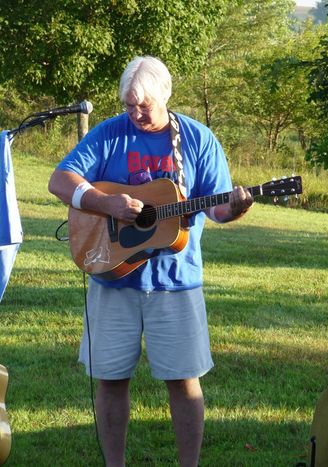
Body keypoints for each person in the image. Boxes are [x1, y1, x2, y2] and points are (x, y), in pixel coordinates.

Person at [48, 55, 253, 467]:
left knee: (183, 380)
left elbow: (215, 209)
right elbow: (59, 179)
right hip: (113, 276)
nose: (136, 113)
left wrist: (235, 208)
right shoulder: (109, 134)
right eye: (128, 104)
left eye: (145, 105)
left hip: (176, 282)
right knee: (110, 380)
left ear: (166, 95)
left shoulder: (197, 139)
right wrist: (107, 202)